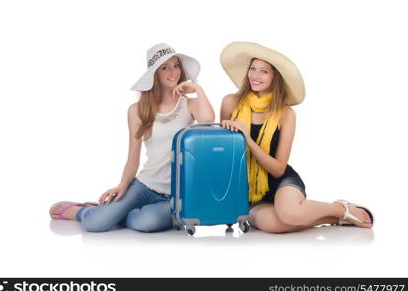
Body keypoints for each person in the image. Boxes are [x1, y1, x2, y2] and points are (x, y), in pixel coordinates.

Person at [49, 43, 215, 232]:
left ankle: (117, 213)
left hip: (177, 193)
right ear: (155, 74)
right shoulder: (136, 111)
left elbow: (209, 119)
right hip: (144, 186)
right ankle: (85, 211)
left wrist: (198, 89)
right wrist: (122, 185)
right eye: (165, 67)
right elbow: (133, 159)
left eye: (176, 65)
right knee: (94, 224)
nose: (173, 72)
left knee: (145, 223)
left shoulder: (190, 105)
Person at [219, 41, 373, 233]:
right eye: (253, 68)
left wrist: (248, 139)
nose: (255, 76)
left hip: (280, 181)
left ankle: (340, 208)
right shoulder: (230, 102)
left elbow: (278, 169)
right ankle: (335, 218)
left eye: (264, 71)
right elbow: (224, 156)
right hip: (248, 190)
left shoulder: (286, 114)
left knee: (290, 214)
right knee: (275, 225)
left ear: (276, 77)